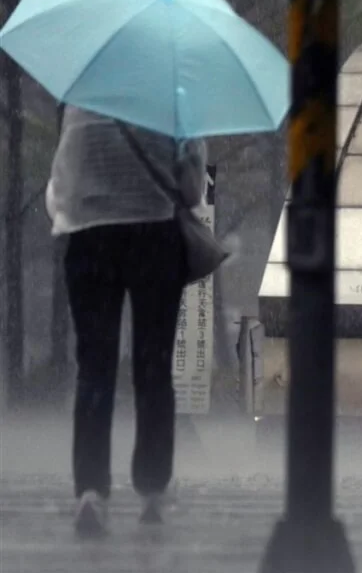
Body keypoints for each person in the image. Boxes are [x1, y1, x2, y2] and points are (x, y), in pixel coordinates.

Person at [46, 105, 207, 536]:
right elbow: (192, 189)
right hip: (154, 238)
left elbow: (60, 188)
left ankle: (91, 490)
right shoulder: (169, 100)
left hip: (89, 238)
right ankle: (153, 487)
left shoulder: (81, 105)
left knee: (94, 367)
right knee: (152, 365)